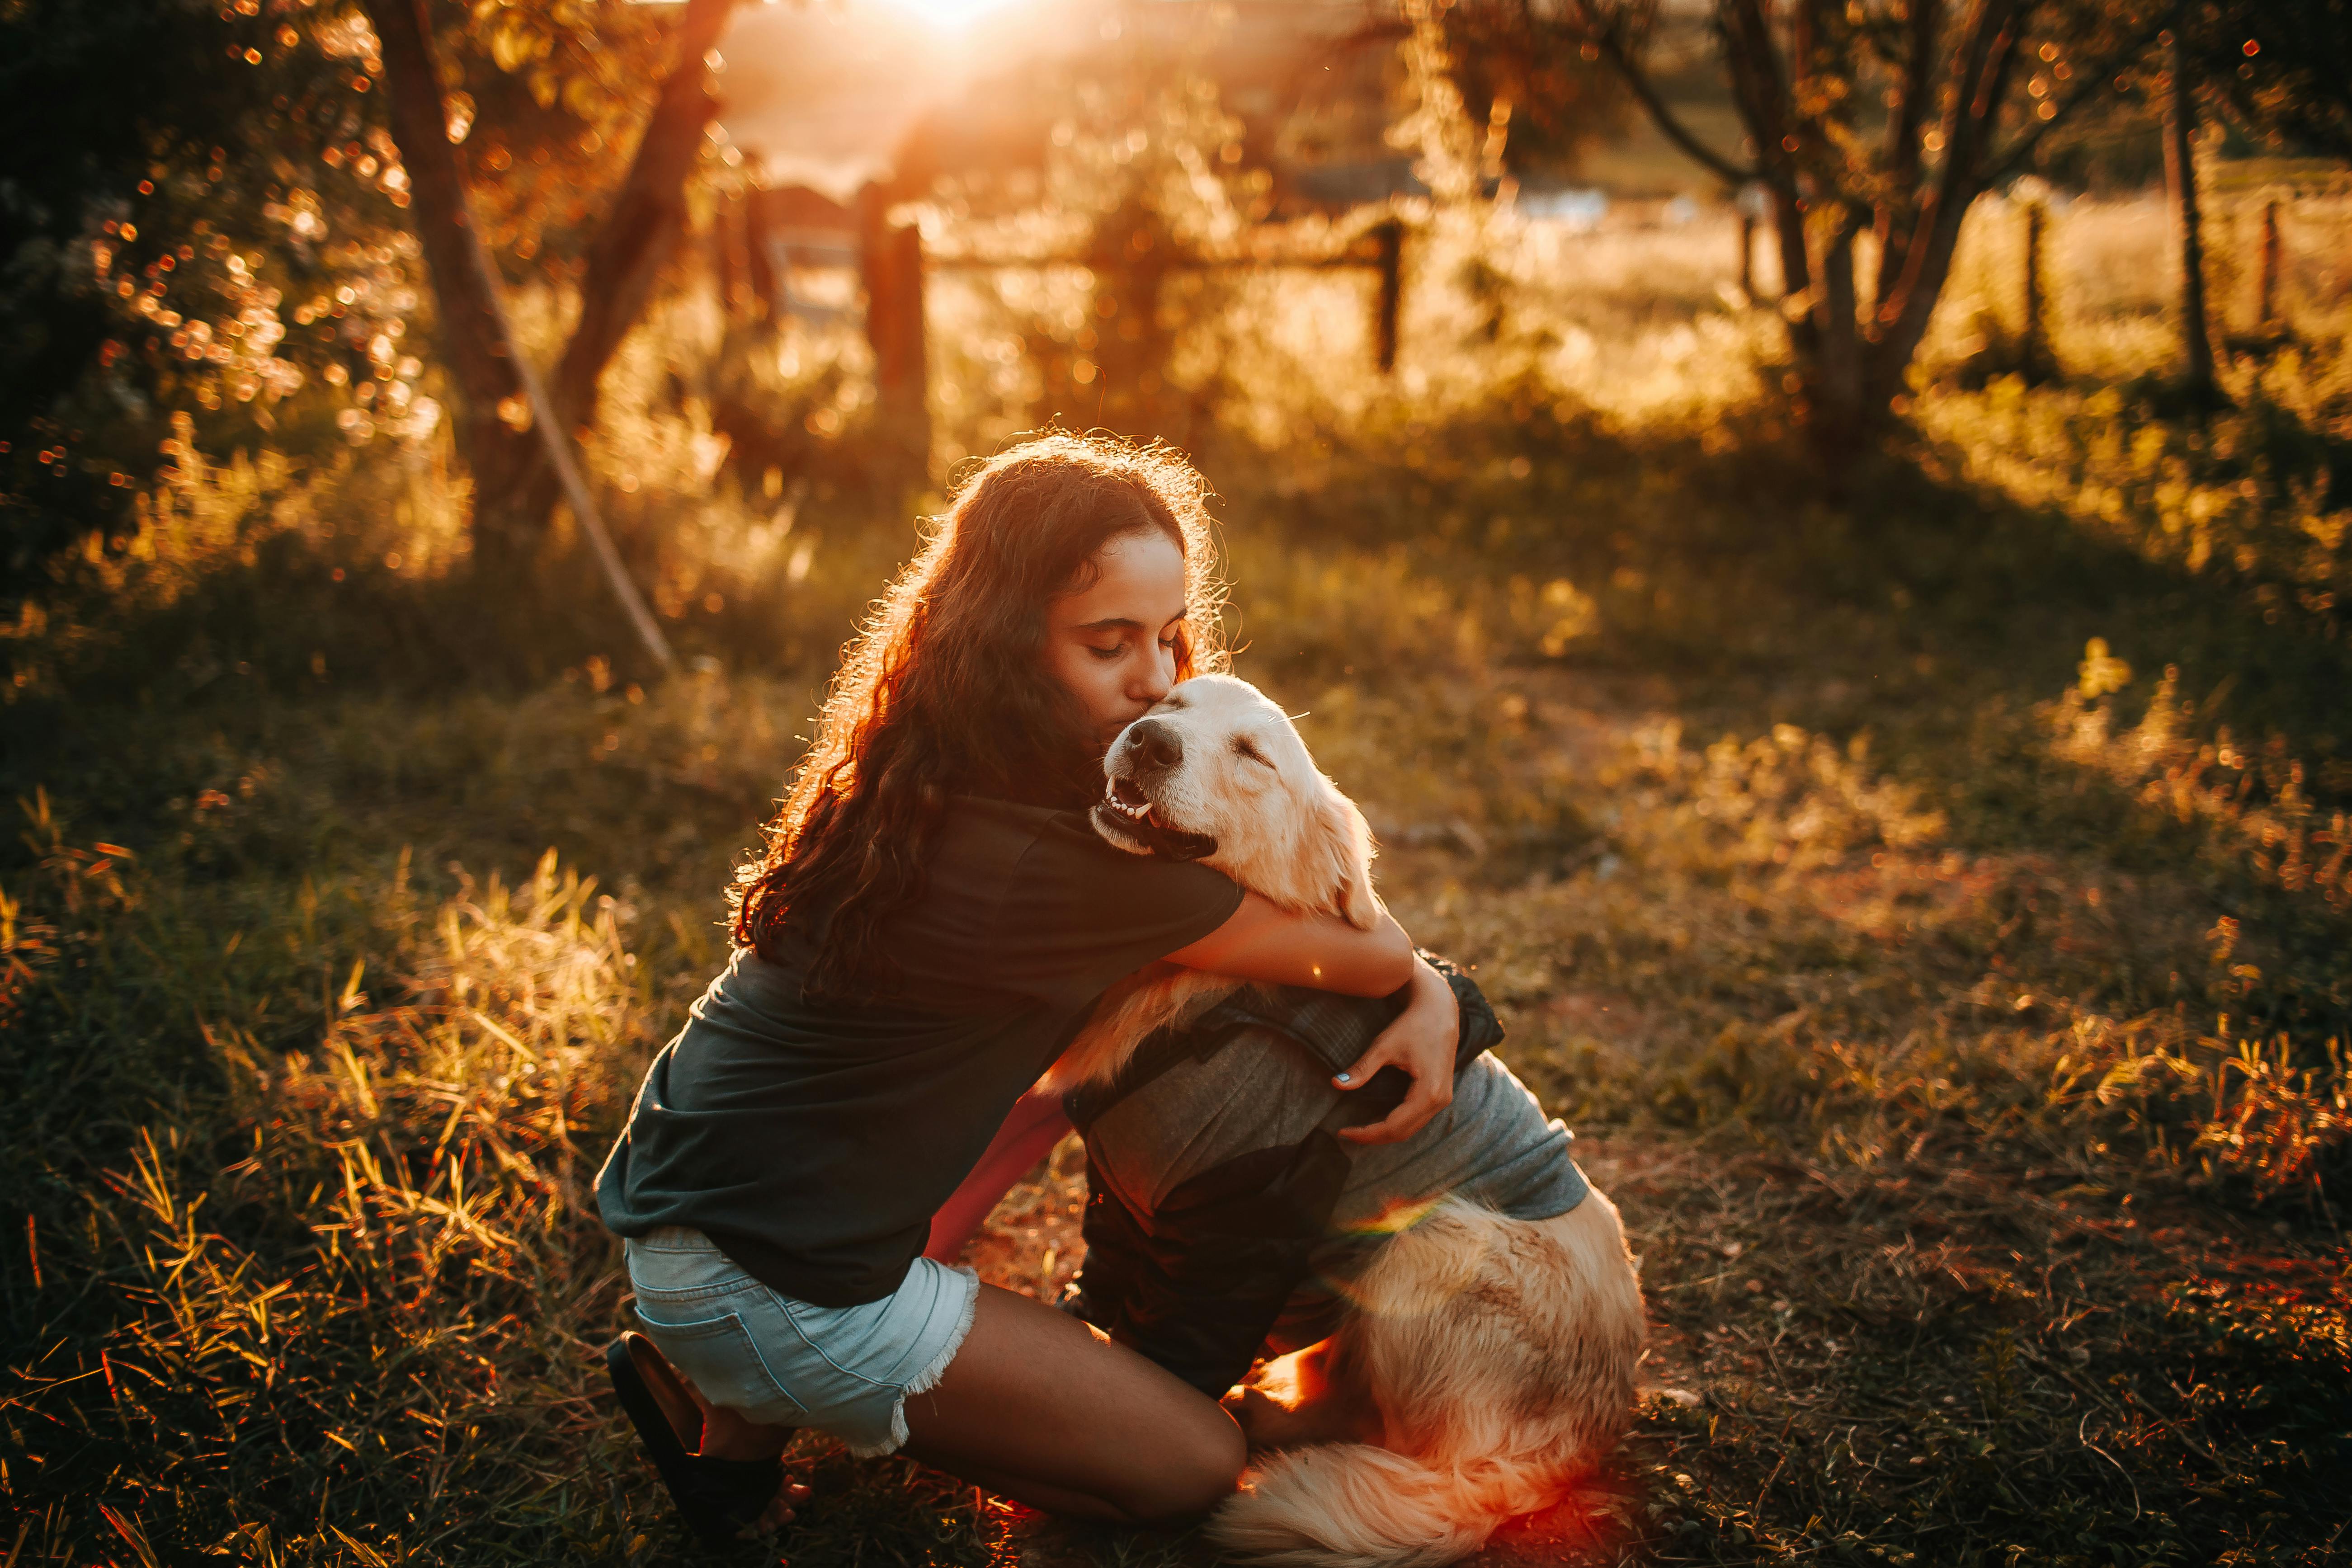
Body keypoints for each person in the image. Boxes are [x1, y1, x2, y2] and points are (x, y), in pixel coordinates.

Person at [594, 433, 1462, 1540]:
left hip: (684, 1207)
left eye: (1168, 637)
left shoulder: (925, 770)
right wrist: (1434, 997)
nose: (1155, 681)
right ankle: (774, 1378)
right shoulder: (1066, 870)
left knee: (1041, 1089)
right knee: (1197, 1461)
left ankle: (735, 1449)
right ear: (1007, 644)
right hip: (774, 1279)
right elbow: (1365, 952)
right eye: (1109, 644)